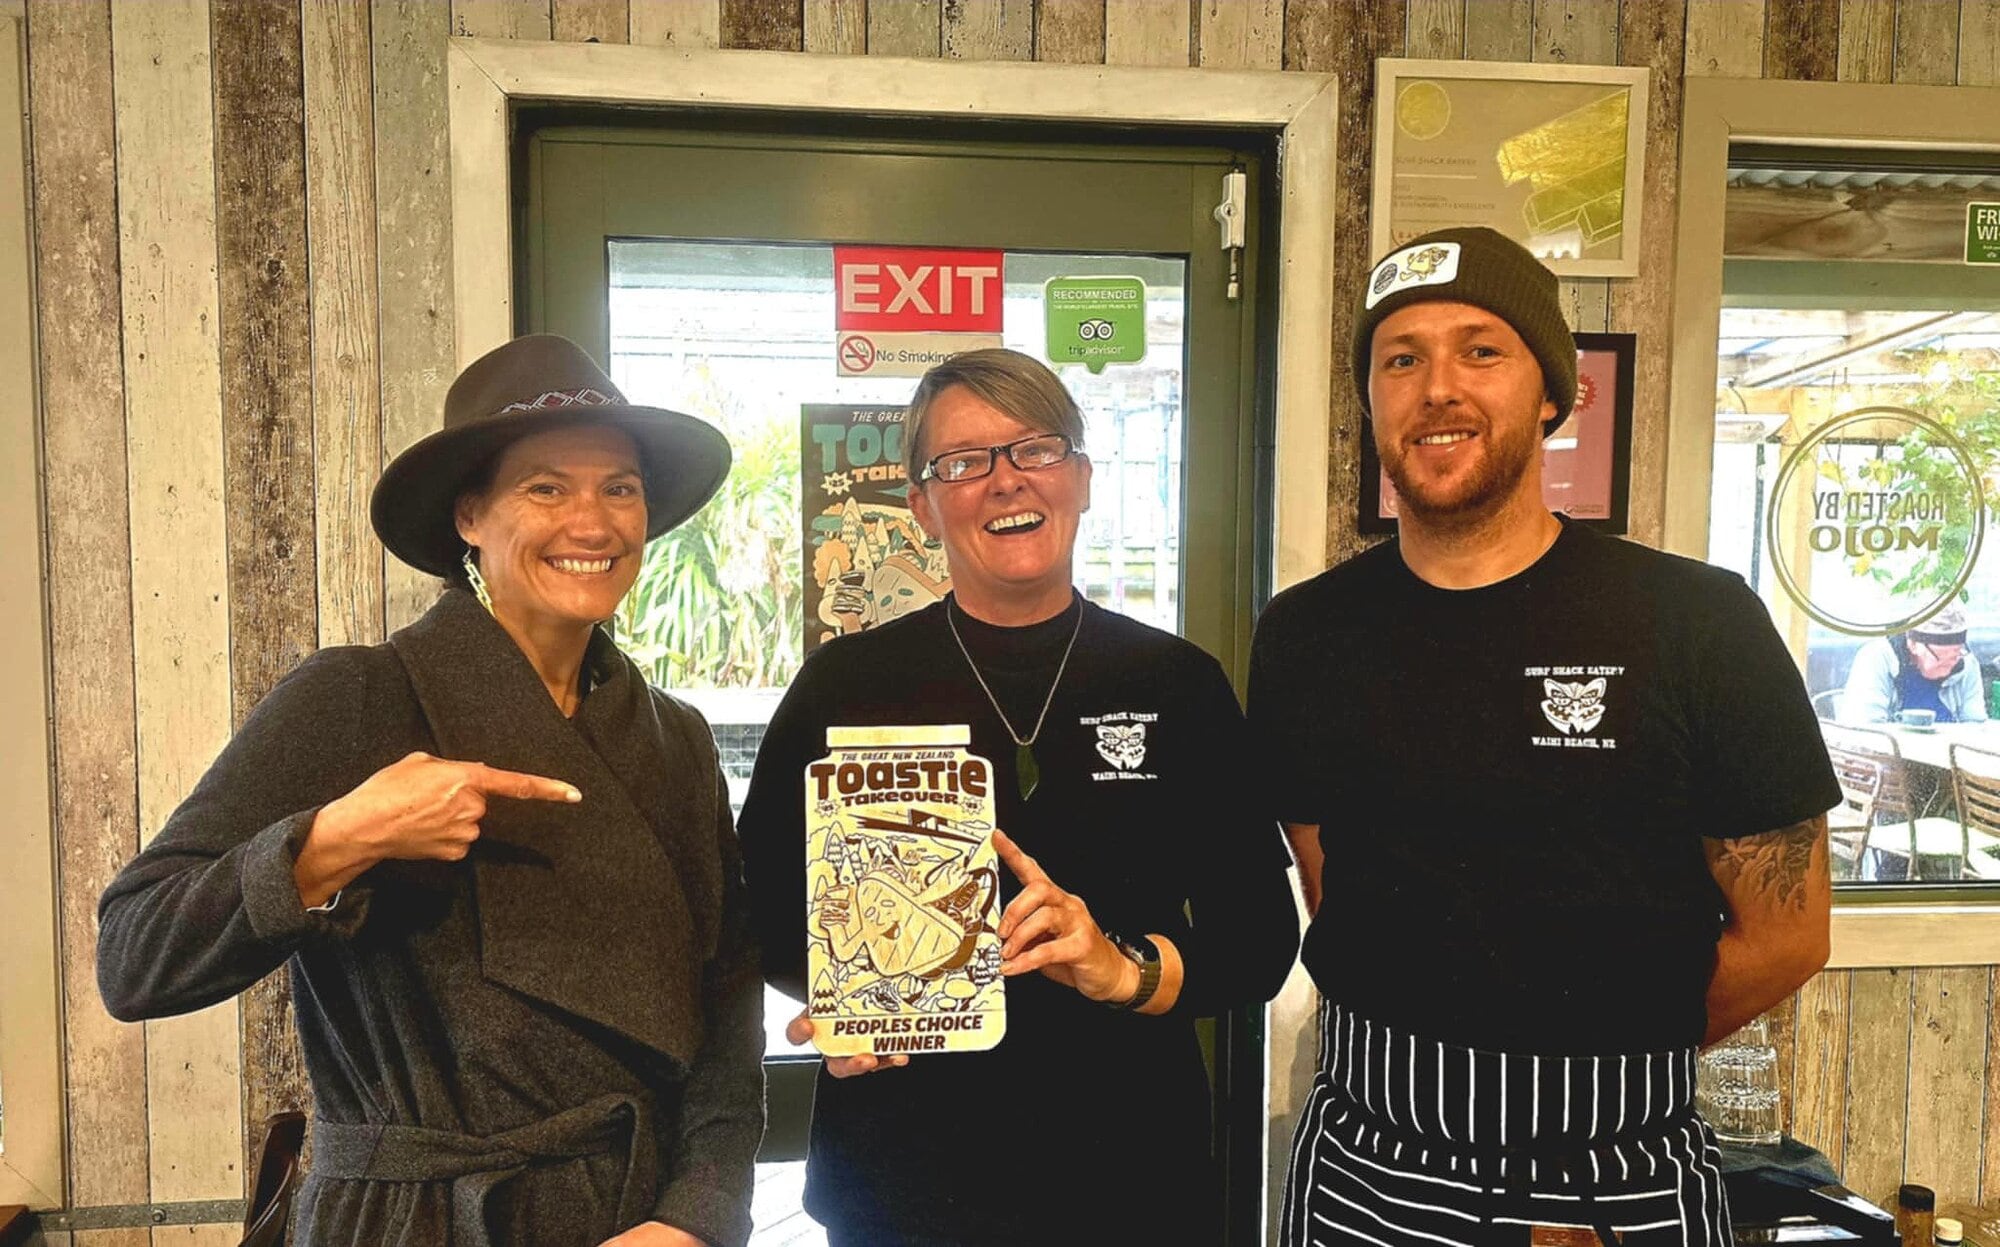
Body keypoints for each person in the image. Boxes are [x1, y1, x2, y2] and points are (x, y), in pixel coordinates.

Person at [97, 335, 764, 1247]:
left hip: (631, 1216)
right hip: (414, 1219)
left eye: (621, 486)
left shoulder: (676, 739)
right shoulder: (359, 696)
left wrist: (696, 1215)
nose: (593, 521)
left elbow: (727, 1004)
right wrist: (332, 840)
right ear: (469, 518)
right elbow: (133, 957)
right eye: (545, 487)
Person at [1249, 227, 1839, 1247]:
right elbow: (1327, 876)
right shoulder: (1304, 633)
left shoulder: (1695, 621)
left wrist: (1587, 1064)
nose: (1436, 386)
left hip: (1612, 1179)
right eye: (1400, 358)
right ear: (1371, 401)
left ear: (1552, 394)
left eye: (1479, 349)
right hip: (1364, 1167)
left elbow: (1785, 931)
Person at [737, 348, 1299, 1246]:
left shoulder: (1179, 682)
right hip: (900, 1181)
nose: (1003, 481)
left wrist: (1124, 968)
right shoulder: (845, 685)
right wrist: (846, 996)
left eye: (1033, 448)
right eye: (961, 463)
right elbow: (757, 912)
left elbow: (1260, 938)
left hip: (1129, 1182)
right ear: (922, 505)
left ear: (1079, 476)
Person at [1839, 604, 1988, 723]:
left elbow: (1975, 725)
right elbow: (1863, 730)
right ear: (1913, 644)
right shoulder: (1876, 658)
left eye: (1955, 655)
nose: (1950, 664)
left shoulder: (1966, 663)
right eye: (1940, 658)